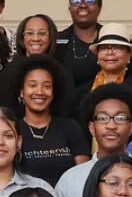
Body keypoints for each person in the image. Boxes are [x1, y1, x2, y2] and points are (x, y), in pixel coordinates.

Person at [12, 54, 90, 187]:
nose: (39, 92)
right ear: (21, 92)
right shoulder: (12, 130)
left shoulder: (70, 128)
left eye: (47, 86)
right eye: (32, 85)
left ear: (54, 92)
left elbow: (83, 177)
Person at [53, 0, 105, 89]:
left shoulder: (112, 39)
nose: (83, 5)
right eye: (76, 2)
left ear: (99, 8)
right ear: (70, 8)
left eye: (90, 1)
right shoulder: (56, 41)